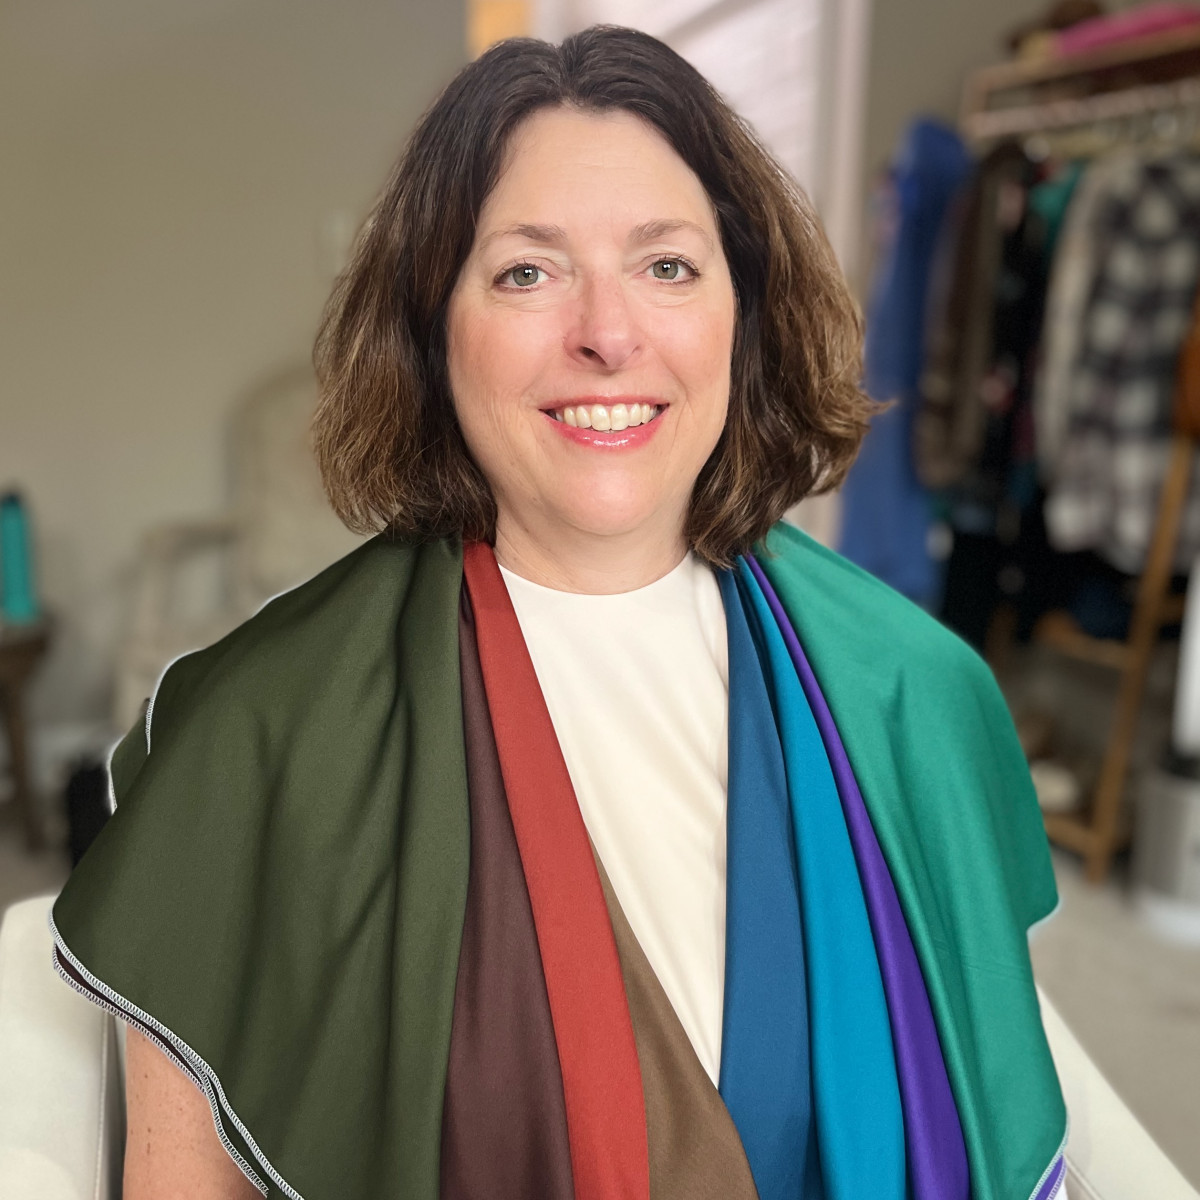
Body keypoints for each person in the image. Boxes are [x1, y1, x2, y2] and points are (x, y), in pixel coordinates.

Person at [52, 26, 1067, 1200]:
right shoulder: (252, 735)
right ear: (431, 327)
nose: (608, 333)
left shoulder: (917, 696)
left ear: (745, 311)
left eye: (667, 266)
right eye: (527, 273)